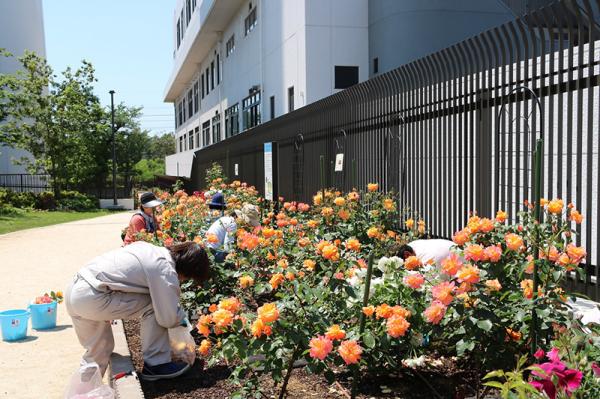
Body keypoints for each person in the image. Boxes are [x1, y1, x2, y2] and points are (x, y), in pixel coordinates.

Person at [65, 241, 210, 381]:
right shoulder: (165, 269)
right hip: (94, 298)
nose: (184, 280)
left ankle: (81, 392)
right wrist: (181, 318)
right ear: (187, 269)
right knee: (156, 305)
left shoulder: (150, 250)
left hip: (76, 290)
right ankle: (156, 364)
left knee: (98, 352)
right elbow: (167, 318)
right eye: (188, 277)